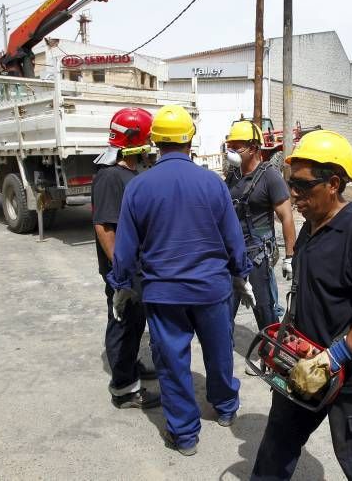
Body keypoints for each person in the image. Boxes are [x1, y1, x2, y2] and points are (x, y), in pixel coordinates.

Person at [108, 105, 255, 457]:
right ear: (190, 139)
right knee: (220, 352)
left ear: (154, 141)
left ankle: (185, 435)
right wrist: (241, 274)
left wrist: (121, 284)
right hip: (212, 289)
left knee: (172, 363)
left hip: (164, 293)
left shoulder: (138, 187)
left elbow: (125, 248)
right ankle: (224, 408)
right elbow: (233, 236)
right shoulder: (213, 184)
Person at [251, 130, 352, 481]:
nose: (292, 194)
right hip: (300, 365)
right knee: (277, 446)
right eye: (290, 184)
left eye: (302, 185)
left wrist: (334, 358)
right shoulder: (311, 226)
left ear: (333, 183)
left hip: (345, 376)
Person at [92, 108, 160, 410]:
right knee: (122, 324)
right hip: (124, 272)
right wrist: (121, 274)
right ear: (137, 141)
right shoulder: (110, 178)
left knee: (134, 323)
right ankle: (124, 389)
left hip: (137, 270)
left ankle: (131, 367)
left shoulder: (130, 174)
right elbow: (105, 228)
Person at [224, 120, 296, 333]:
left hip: (258, 256)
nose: (232, 151)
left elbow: (286, 217)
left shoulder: (270, 177)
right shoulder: (233, 176)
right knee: (224, 310)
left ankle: (272, 356)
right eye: (230, 145)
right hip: (232, 255)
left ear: (253, 148)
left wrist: (290, 256)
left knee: (265, 310)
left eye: (237, 146)